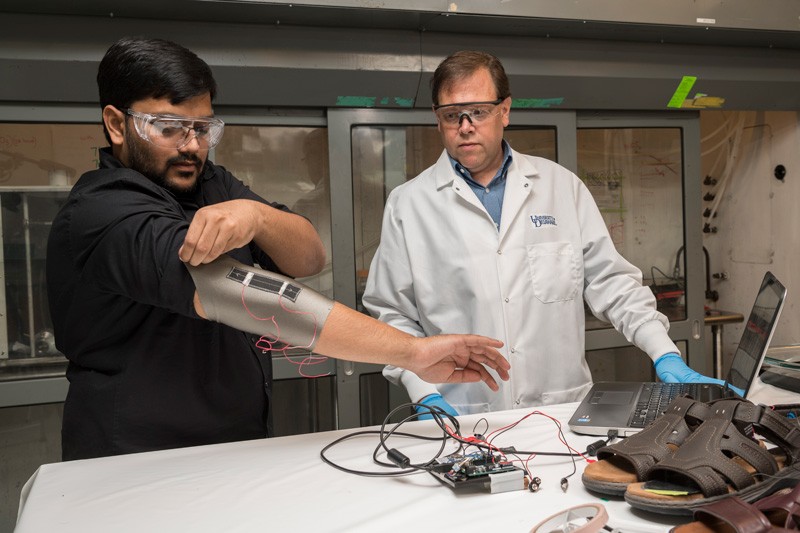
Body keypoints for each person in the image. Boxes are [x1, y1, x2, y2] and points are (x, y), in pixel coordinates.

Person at [46, 38, 509, 461]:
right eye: (168, 127)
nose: (191, 146)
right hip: (136, 456)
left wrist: (258, 216)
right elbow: (245, 297)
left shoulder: (207, 180)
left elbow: (307, 257)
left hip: (234, 443)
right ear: (116, 124)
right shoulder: (103, 211)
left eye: (203, 127)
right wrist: (411, 352)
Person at [363, 50, 728, 419]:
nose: (465, 125)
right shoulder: (409, 204)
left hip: (561, 414)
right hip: (461, 416)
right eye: (451, 114)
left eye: (479, 111)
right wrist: (422, 390)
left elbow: (612, 282)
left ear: (505, 110)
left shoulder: (560, 187)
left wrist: (663, 351)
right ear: (437, 119)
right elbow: (392, 313)